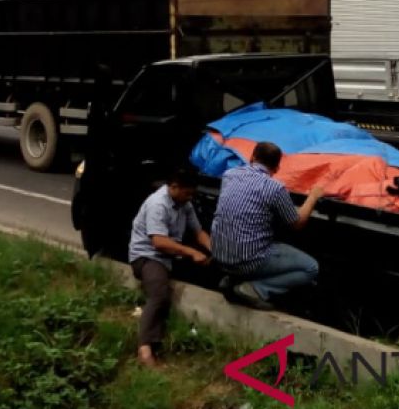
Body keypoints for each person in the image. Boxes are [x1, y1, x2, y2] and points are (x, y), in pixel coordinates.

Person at [211, 141, 323, 310]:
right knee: (311, 268)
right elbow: (297, 223)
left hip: (219, 254)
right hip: (248, 260)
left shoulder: (229, 175)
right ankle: (256, 289)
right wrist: (313, 196)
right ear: (277, 168)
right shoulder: (275, 188)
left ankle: (232, 279)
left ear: (252, 157)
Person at [127, 167, 212, 367]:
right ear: (174, 187)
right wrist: (191, 252)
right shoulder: (158, 205)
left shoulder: (184, 203)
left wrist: (212, 250)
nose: (190, 197)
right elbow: (159, 242)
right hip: (148, 256)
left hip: (169, 254)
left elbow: (199, 232)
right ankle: (145, 346)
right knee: (159, 295)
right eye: (187, 192)